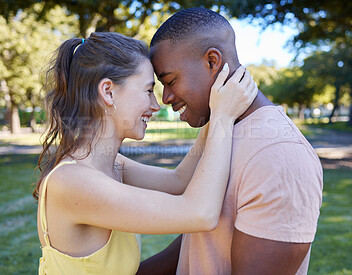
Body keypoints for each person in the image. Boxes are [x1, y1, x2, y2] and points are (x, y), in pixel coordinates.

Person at [34, 32, 258, 274]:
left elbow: (179, 181)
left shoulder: (112, 165)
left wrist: (213, 106)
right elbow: (200, 214)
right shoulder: (73, 182)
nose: (156, 105)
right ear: (108, 92)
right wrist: (223, 118)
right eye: (148, 90)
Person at [133, 7, 323, 275]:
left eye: (171, 81)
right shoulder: (221, 127)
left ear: (212, 62)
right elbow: (204, 242)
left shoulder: (279, 155)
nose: (165, 98)